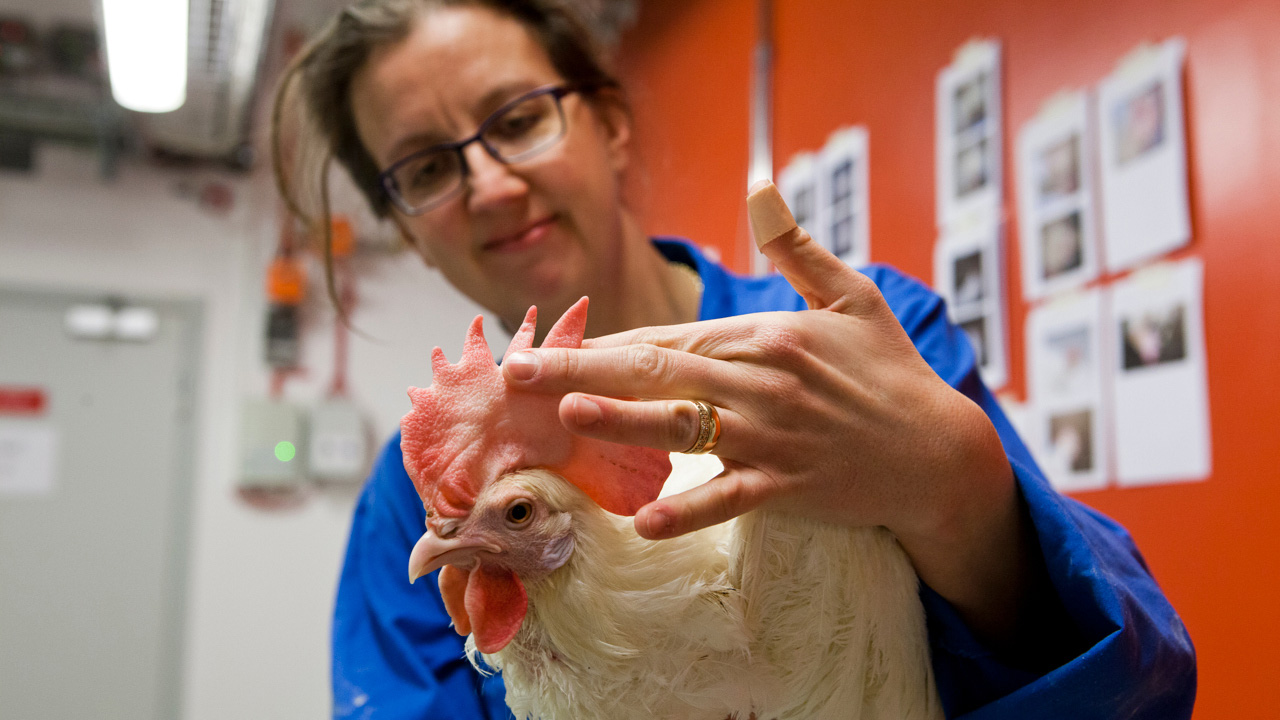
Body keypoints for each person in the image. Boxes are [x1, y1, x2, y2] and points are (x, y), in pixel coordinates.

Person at [272, 1, 1196, 718]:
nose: (488, 186)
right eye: (427, 170)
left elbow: (1136, 685)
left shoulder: (847, 342)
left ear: (610, 125)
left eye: (516, 120)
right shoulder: (408, 507)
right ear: (407, 232)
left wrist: (956, 493)